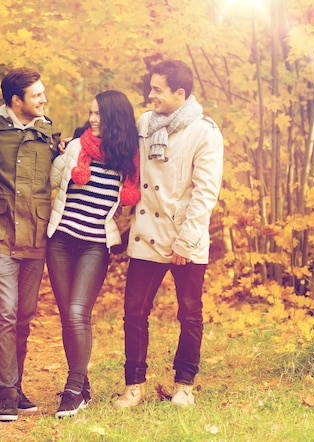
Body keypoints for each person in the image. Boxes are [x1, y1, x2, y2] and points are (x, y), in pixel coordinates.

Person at [113, 60, 224, 408]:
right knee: (134, 311)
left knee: (190, 313)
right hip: (147, 232)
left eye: (157, 89)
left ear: (180, 93)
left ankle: (184, 385)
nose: (151, 95)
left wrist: (186, 242)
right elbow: (117, 149)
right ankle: (134, 386)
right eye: (151, 88)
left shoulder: (205, 132)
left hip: (184, 237)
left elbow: (205, 192)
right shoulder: (145, 123)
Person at [46, 90, 140, 418]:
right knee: (68, 316)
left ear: (115, 117)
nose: (92, 119)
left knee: (76, 312)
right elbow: (52, 180)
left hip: (95, 245)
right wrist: (59, 154)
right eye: (90, 113)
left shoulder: (128, 159)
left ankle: (73, 388)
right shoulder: (76, 146)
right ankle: (80, 384)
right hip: (60, 241)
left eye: (99, 113)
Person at [0, 67, 61, 422]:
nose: (43, 99)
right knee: (6, 315)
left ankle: (17, 383)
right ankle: (5, 392)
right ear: (17, 101)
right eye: (37, 95)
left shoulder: (48, 131)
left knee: (25, 315)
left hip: (36, 234)